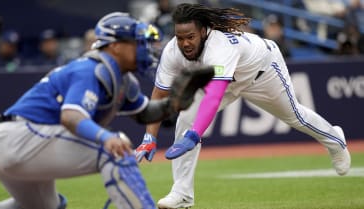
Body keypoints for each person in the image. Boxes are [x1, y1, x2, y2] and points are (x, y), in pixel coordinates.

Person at [135, 3, 351, 209]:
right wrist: (149, 138)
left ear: (203, 31)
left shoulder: (219, 46)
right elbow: (159, 94)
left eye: (190, 37)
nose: (185, 43)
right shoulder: (173, 51)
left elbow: (214, 96)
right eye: (180, 38)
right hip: (223, 82)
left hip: (261, 74)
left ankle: (335, 140)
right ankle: (181, 194)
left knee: (296, 117)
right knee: (185, 118)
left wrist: (194, 136)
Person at [0, 12, 208, 209]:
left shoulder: (122, 78)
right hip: (19, 138)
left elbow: (144, 113)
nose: (144, 48)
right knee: (116, 152)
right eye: (137, 42)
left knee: (46, 206)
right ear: (115, 46)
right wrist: (105, 137)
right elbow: (71, 117)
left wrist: (172, 105)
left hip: (14, 145)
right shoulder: (91, 68)